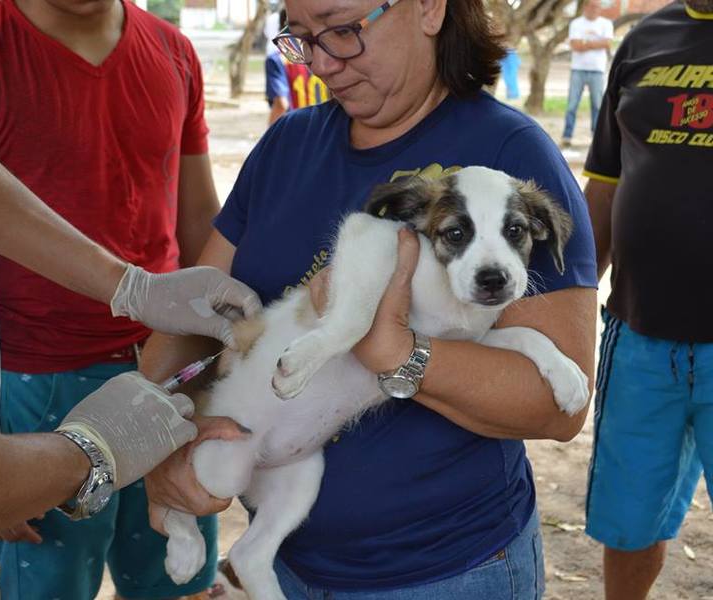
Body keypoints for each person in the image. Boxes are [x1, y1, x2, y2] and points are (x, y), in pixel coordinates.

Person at [142, 0, 599, 597]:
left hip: (449, 571)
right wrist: (151, 447)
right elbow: (194, 319)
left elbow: (555, 407)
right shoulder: (287, 142)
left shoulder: (510, 155)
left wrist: (396, 353)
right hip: (291, 564)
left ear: (430, 9)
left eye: (343, 30)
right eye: (301, 37)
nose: (323, 62)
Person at [0, 0, 259, 597]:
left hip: (168, 366)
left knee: (175, 571)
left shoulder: (170, 51)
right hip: (37, 384)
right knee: (53, 582)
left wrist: (140, 291)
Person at [582, 1, 713, 598]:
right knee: (628, 525)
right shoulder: (643, 39)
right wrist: (569, 297)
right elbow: (606, 186)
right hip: (638, 340)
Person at [561, 0, 613, 148]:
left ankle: (596, 138)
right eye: (591, 6)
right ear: (585, 7)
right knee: (572, 105)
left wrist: (586, 43)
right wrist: (596, 43)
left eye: (597, 7)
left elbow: (608, 44)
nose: (594, 9)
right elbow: (575, 45)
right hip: (578, 69)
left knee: (597, 106)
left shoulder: (606, 24)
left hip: (597, 70)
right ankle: (567, 135)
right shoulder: (576, 23)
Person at [265, 8, 329, 125]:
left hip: (297, 129)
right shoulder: (326, 55)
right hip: (326, 127)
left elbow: (281, 103)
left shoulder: (277, 60)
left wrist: (271, 136)